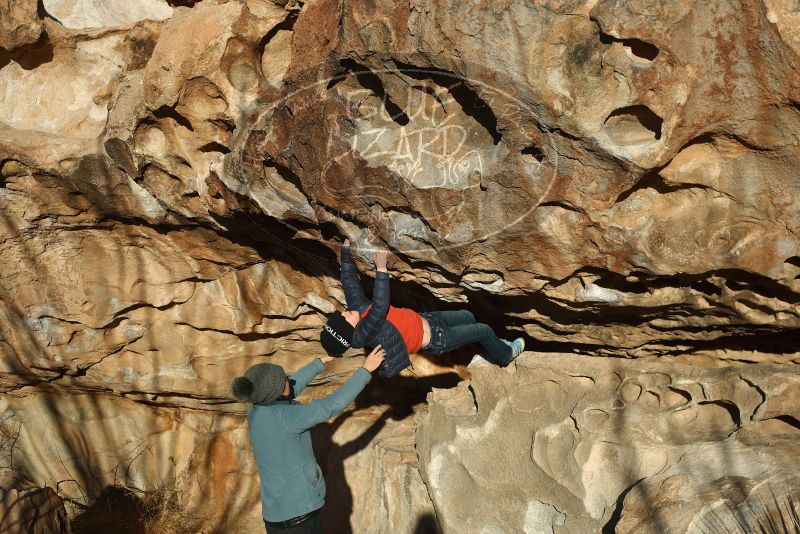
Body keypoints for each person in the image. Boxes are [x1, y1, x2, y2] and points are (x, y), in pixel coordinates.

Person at [231, 346, 386, 533]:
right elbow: (330, 405)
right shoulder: (288, 417)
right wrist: (365, 371)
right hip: (300, 521)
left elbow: (289, 390)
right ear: (276, 392)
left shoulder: (256, 412)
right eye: (284, 379)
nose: (288, 378)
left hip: (275, 518)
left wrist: (319, 363)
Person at [319, 240, 524, 377]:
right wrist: (381, 268)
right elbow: (380, 307)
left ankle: (493, 347)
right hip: (437, 338)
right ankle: (506, 355)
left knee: (468, 315)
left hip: (428, 319)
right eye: (344, 318)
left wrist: (345, 254)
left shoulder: (357, 310)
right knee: (483, 330)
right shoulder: (364, 333)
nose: (345, 311)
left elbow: (349, 283)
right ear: (350, 330)